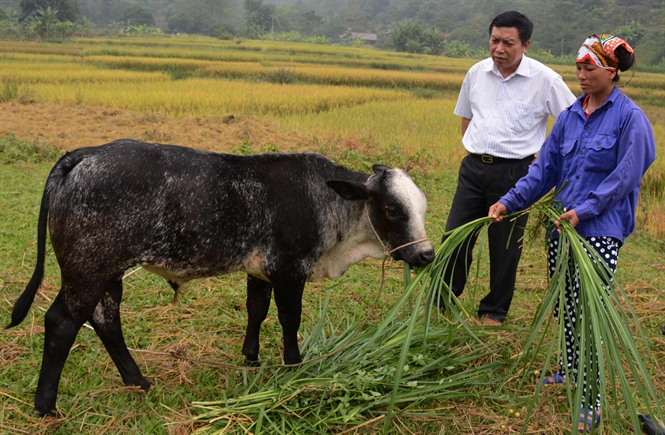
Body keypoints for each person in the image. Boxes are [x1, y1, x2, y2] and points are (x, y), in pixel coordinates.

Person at [489, 34, 656, 432]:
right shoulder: (568, 117)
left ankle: (591, 400)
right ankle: (567, 368)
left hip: (599, 230)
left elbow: (626, 176)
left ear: (611, 71)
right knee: (566, 301)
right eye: (578, 67)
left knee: (588, 313)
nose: (580, 74)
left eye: (588, 68)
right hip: (560, 228)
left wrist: (586, 210)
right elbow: (543, 170)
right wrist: (508, 201)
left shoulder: (630, 118)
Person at [438, 11, 576, 326]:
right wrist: (477, 150)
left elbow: (573, 124)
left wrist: (546, 162)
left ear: (525, 44)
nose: (499, 48)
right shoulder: (476, 73)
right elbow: (466, 117)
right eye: (494, 40)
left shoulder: (545, 80)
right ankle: (442, 299)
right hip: (474, 169)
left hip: (516, 175)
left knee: (505, 247)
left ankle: (493, 312)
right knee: (455, 236)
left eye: (508, 43)